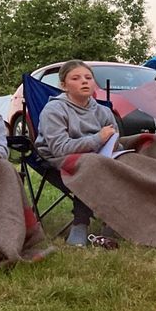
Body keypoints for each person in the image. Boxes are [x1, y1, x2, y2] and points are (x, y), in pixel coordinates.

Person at [34, 61, 118, 247]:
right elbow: (59, 148)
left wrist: (112, 145)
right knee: (91, 163)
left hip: (97, 157)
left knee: (128, 161)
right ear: (64, 85)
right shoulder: (54, 109)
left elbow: (114, 140)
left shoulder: (103, 111)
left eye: (88, 78)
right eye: (76, 78)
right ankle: (80, 223)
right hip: (57, 158)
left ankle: (114, 220)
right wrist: (97, 139)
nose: (84, 81)